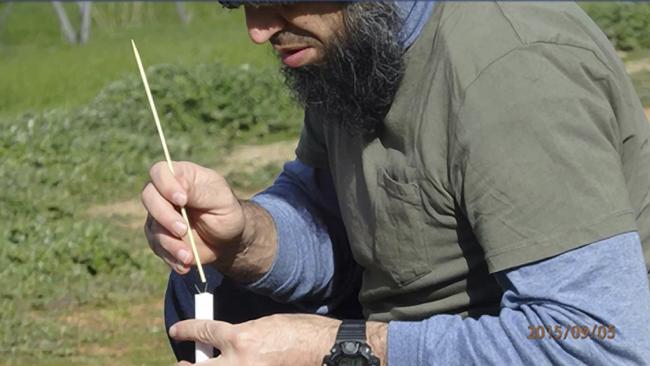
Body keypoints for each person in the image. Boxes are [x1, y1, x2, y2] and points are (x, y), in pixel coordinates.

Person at [141, 2, 650, 365]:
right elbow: (336, 220)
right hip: (400, 327)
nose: (258, 29)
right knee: (209, 287)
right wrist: (246, 237)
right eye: (238, 3)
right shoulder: (353, 44)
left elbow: (598, 339)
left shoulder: (512, 73)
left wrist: (338, 349)